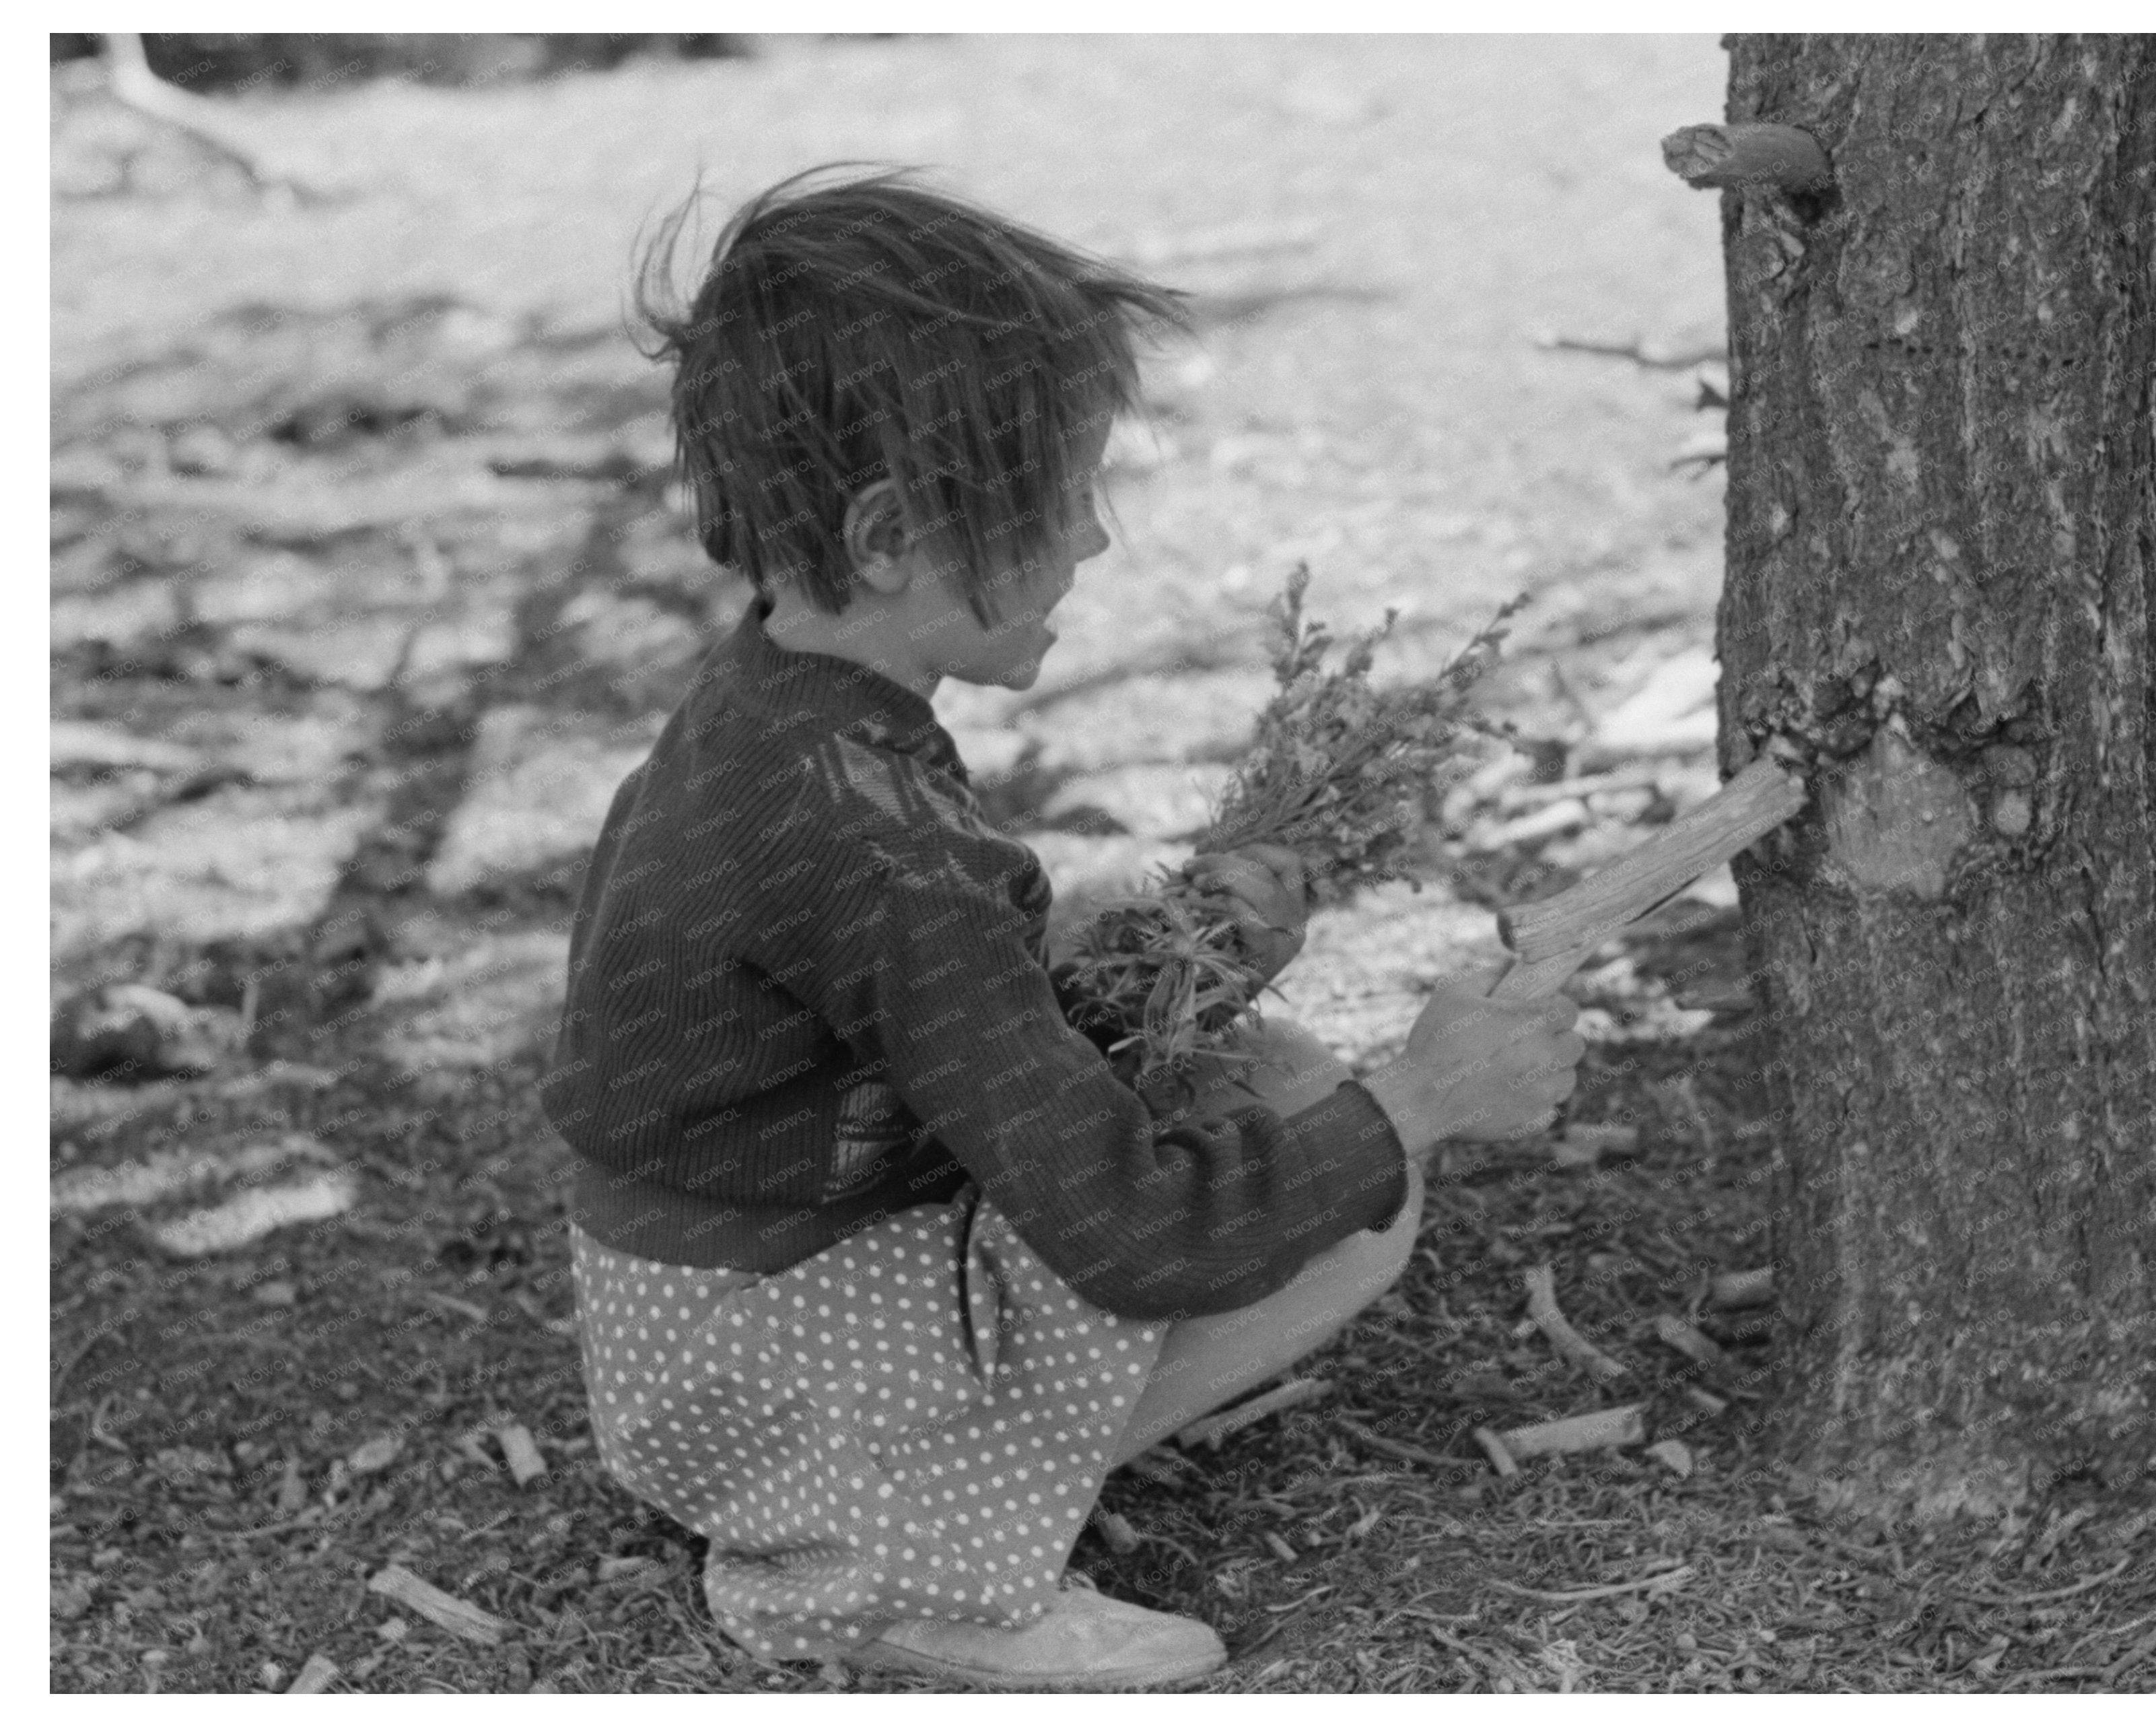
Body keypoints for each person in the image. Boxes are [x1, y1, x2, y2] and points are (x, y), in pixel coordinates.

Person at [541, 164, 1585, 1691]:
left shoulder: (782, 714)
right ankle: (884, 1567)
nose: (1091, 541)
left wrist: (1192, 963)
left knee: (1268, 1080)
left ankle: (902, 1481)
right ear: (894, 532)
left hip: (696, 1297)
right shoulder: (875, 844)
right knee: (1359, 1181)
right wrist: (1426, 1096)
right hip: (750, 1345)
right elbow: (1128, 1226)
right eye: (1058, 500)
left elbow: (912, 1041)